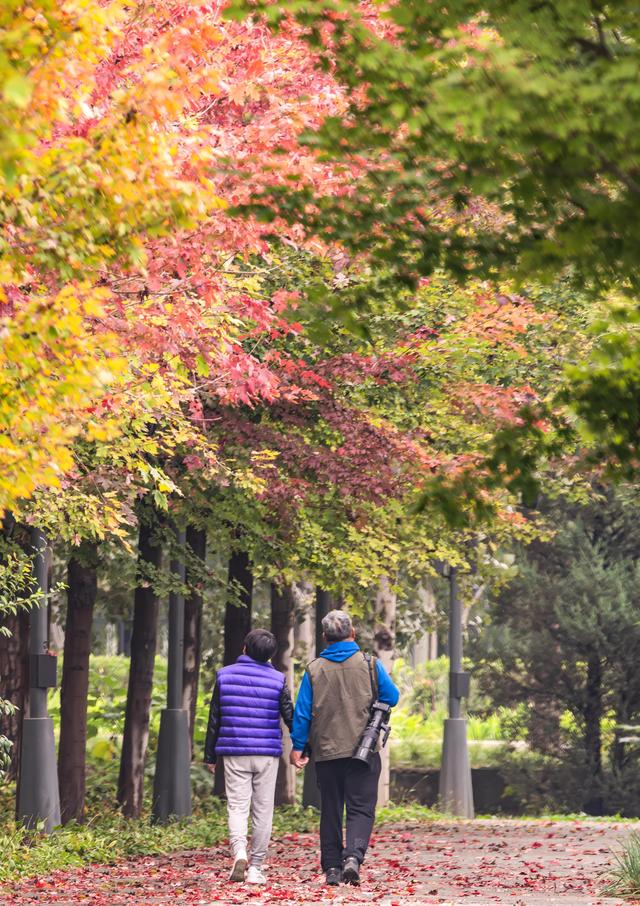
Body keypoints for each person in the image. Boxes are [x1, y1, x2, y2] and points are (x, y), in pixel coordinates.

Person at [290, 610, 400, 887]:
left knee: (330, 809)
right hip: (363, 751)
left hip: (327, 753)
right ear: (352, 633)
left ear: (325, 637)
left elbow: (302, 713)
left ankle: (331, 869)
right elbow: (392, 696)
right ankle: (353, 857)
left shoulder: (314, 669)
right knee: (361, 808)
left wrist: (297, 747)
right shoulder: (369, 663)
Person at [204, 628, 294, 886]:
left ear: (244, 648)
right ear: (270, 655)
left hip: (234, 752)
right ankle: (255, 867)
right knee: (263, 810)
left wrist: (210, 755)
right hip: (266, 754)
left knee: (238, 806)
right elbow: (289, 715)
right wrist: (301, 747)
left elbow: (215, 719)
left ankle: (239, 851)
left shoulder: (224, 675)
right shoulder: (278, 679)